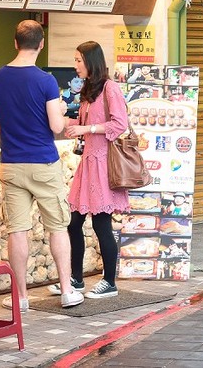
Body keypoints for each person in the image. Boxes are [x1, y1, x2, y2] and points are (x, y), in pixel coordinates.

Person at [0, 20, 84, 311]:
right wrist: (66, 115)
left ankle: (20, 298)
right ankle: (67, 291)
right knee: (57, 227)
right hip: (43, 162)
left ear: (15, 43)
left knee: (17, 230)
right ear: (41, 45)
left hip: (12, 164)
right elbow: (56, 125)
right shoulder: (45, 81)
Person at [56, 41, 130, 299]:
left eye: (78, 60)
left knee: (101, 225)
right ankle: (76, 279)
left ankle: (109, 282)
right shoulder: (89, 89)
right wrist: (68, 121)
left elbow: (119, 124)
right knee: (73, 223)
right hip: (88, 164)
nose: (75, 65)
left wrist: (86, 129)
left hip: (103, 164)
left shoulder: (111, 88)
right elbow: (86, 122)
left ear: (91, 61)